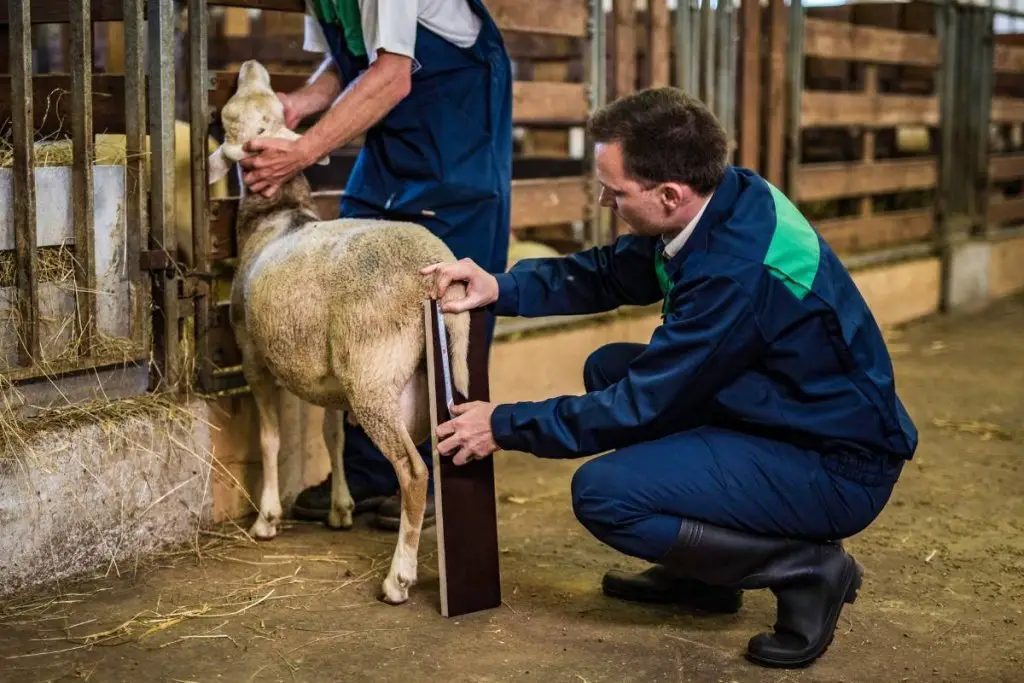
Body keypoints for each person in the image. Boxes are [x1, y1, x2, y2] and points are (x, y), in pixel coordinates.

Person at [422, 87, 917, 669]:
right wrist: (501, 286)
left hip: (835, 465)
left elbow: (639, 406)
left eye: (615, 190)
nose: (604, 200)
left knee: (605, 495)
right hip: (787, 410)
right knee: (607, 365)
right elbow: (612, 274)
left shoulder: (734, 271)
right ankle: (704, 576)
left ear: (669, 194)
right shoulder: (726, 199)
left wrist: (502, 425)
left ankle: (807, 568)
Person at [238, 0, 513, 531]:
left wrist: (302, 151)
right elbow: (348, 66)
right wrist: (296, 107)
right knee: (357, 295)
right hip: (389, 157)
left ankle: (443, 475)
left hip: (455, 153)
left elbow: (391, 77)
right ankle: (367, 472)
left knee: (451, 304)